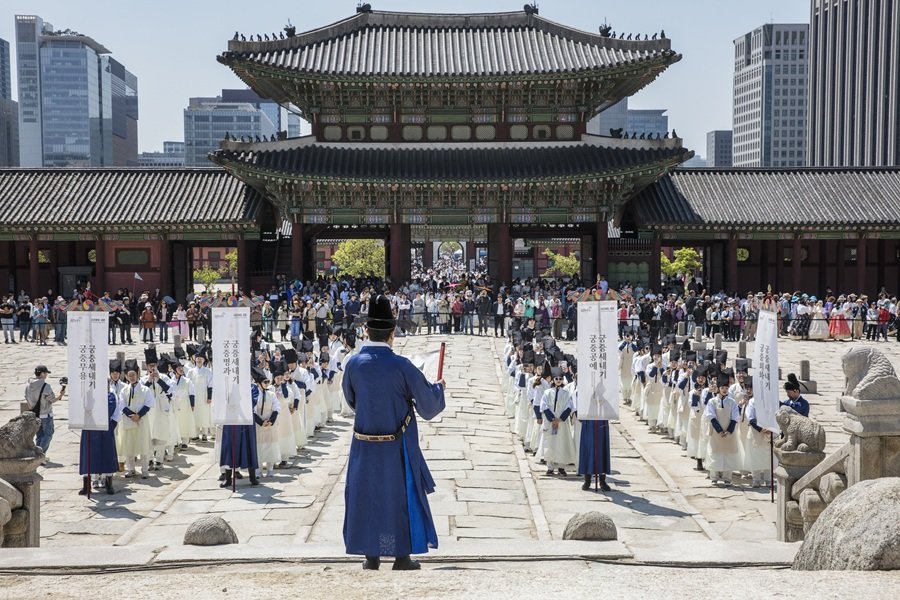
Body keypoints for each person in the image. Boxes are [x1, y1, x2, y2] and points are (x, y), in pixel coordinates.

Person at [341, 294, 446, 571]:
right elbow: (428, 406)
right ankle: (400, 555)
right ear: (392, 332)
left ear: (366, 330)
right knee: (399, 498)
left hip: (364, 444)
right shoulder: (402, 366)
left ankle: (371, 555)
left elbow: (352, 400)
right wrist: (439, 387)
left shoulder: (353, 364)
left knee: (366, 497)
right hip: (396, 444)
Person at [78, 385, 122, 496]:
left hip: (104, 427)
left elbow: (110, 410)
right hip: (89, 427)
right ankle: (86, 485)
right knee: (88, 455)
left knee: (107, 454)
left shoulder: (110, 396)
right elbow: (81, 407)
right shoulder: (88, 395)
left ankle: (108, 483)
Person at [118, 359, 154, 479]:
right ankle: (131, 469)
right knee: (129, 446)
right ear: (127, 377)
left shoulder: (145, 389)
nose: (132, 377)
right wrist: (131, 415)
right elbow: (122, 405)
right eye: (129, 375)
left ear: (137, 374)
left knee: (143, 445)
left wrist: (139, 415)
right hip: (129, 421)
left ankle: (144, 470)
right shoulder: (124, 390)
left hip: (141, 421)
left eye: (133, 375)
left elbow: (149, 403)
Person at [539, 367, 576, 476]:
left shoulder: (566, 393)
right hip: (550, 422)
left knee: (562, 443)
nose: (558, 380)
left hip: (562, 423)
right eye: (556, 378)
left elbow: (570, 406)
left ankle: (561, 467)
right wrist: (552, 418)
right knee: (549, 443)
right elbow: (544, 406)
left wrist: (561, 418)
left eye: (560, 378)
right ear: (553, 380)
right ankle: (550, 467)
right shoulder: (547, 392)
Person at [704, 373, 740, 485]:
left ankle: (727, 477)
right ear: (718, 388)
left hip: (729, 433)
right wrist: (719, 431)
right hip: (716, 432)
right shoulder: (712, 401)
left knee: (728, 454)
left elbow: (735, 418)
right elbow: (711, 416)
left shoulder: (732, 402)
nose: (724, 390)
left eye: (726, 388)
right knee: (715, 453)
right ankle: (714, 476)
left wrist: (728, 431)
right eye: (722, 388)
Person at [25, 365, 64, 460]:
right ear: (42, 373)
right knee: (48, 434)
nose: (46, 375)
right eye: (46, 373)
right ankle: (40, 456)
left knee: (39, 435)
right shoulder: (46, 386)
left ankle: (36, 455)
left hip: (35, 414)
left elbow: (26, 398)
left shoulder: (28, 385)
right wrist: (61, 395)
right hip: (46, 414)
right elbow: (52, 400)